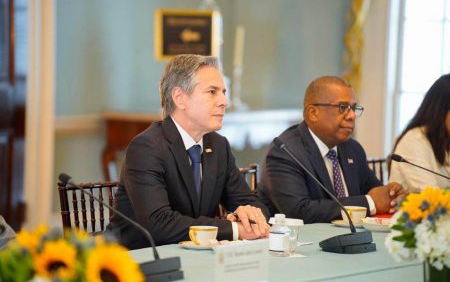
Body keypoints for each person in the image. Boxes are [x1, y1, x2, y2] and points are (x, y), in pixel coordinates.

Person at [108, 54, 269, 249]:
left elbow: (255, 206)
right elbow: (159, 225)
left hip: (199, 260)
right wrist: (234, 228)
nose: (223, 101)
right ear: (180, 98)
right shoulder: (146, 148)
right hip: (139, 263)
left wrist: (248, 215)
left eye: (224, 92)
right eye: (212, 92)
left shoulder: (219, 146)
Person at [258, 76, 406, 224]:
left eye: (354, 108)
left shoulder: (352, 149)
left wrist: (391, 195)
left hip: (352, 241)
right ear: (313, 113)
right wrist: (370, 203)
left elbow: (376, 193)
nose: (352, 116)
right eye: (342, 107)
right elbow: (299, 211)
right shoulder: (285, 152)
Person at [389, 74, 450, 193]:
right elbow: (431, 195)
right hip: (414, 211)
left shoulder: (446, 140)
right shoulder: (414, 141)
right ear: (441, 109)